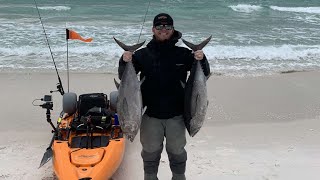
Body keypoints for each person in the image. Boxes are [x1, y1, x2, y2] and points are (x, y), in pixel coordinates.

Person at [118, 13, 211, 180]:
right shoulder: (142, 55)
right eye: (159, 27)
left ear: (172, 29)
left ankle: (179, 177)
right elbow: (124, 77)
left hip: (177, 115)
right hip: (149, 114)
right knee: (150, 152)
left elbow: (205, 73)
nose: (163, 30)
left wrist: (201, 58)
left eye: (167, 27)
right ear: (153, 29)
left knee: (177, 151)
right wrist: (125, 60)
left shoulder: (183, 54)